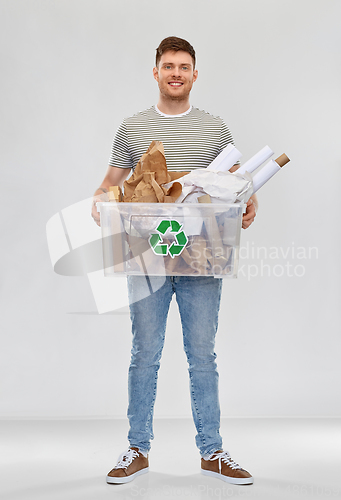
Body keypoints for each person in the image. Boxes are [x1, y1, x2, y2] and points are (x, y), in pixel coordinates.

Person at [92, 36, 257, 485]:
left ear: (195, 74)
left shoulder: (214, 128)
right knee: (144, 353)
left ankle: (213, 451)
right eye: (169, 66)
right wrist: (101, 201)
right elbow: (110, 182)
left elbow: (236, 183)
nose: (176, 73)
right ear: (156, 72)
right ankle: (137, 449)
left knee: (202, 355)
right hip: (146, 256)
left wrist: (249, 199)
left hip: (202, 256)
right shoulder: (133, 127)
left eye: (184, 67)